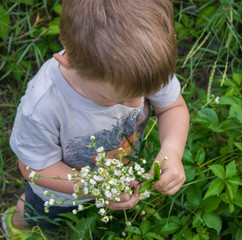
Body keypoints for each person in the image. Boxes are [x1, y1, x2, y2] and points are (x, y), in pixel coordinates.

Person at [1, 0, 189, 237]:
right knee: (37, 215)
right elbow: (34, 168)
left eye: (142, 95)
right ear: (70, 61)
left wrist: (172, 150)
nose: (136, 104)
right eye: (119, 99)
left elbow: (172, 107)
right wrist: (94, 187)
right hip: (60, 192)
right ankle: (14, 226)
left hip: (116, 174)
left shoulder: (144, 68)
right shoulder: (43, 106)